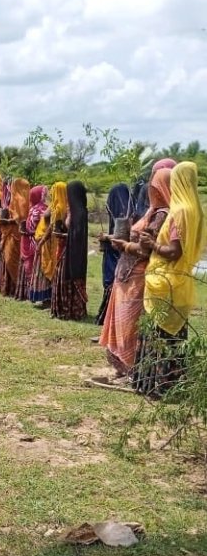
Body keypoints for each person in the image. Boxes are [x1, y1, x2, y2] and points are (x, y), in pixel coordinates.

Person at [133, 161, 205, 397]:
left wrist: (151, 244)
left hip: (164, 283)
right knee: (175, 338)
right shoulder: (197, 211)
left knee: (158, 336)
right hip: (181, 282)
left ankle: (155, 385)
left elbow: (174, 252)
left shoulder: (179, 212)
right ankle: (173, 384)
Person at [101, 169, 171, 377]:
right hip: (125, 274)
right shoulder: (151, 211)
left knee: (129, 326)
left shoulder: (161, 215)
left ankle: (132, 369)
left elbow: (144, 250)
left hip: (137, 275)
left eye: (155, 186)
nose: (150, 190)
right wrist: (113, 238)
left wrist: (124, 245)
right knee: (120, 324)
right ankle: (123, 367)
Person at [51, 180, 88, 320]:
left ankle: (70, 310)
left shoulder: (78, 213)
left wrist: (62, 233)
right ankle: (63, 309)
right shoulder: (76, 210)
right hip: (68, 251)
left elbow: (74, 235)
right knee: (61, 277)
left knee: (67, 278)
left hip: (72, 254)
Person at [94, 183, 130, 324]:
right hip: (120, 255)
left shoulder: (123, 215)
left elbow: (121, 237)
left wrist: (106, 237)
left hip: (117, 256)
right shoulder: (131, 212)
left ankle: (111, 319)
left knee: (113, 284)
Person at [0, 178, 29, 296]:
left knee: (11, 259)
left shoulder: (19, 200)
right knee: (12, 259)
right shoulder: (25, 199)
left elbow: (19, 218)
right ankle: (15, 287)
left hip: (15, 233)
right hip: (16, 233)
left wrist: (6, 221)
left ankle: (15, 287)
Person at [17, 185, 45, 301]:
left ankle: (29, 291)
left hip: (28, 240)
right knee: (34, 267)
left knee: (29, 266)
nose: (45, 196)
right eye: (43, 194)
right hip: (34, 240)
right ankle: (34, 291)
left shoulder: (32, 209)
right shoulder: (42, 209)